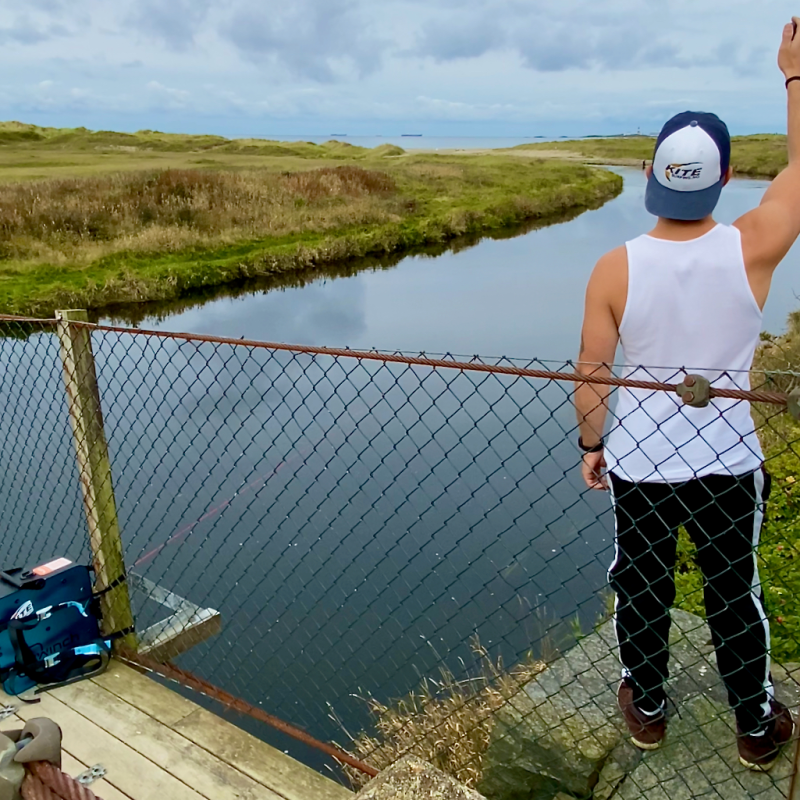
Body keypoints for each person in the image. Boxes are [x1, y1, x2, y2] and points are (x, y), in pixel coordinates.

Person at [574, 19, 800, 772]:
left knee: (641, 583)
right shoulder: (752, 246)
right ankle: (756, 728)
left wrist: (592, 444)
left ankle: (646, 708)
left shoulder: (614, 267)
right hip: (728, 461)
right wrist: (793, 76)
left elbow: (591, 374)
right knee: (735, 592)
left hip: (640, 461)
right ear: (726, 178)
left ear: (650, 173)